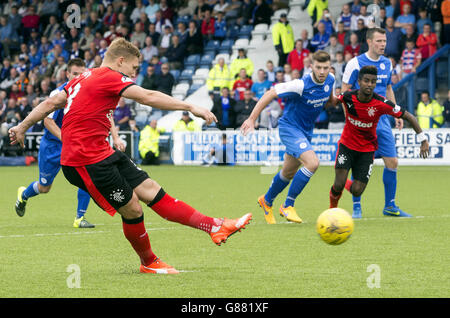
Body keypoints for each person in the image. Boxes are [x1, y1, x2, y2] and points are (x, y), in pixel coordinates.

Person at [9, 38, 252, 275]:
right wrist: (190, 107)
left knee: (151, 190)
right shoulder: (109, 76)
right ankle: (149, 262)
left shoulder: (83, 78)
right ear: (121, 61)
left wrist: (22, 126)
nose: (134, 74)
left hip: (103, 153)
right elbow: (147, 97)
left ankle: (215, 226)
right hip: (85, 160)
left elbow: (50, 103)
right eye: (134, 68)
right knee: (133, 209)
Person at [14, 58, 125, 228]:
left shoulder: (90, 91)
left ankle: (79, 218)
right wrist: (67, 139)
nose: (78, 77)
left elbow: (106, 113)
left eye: (81, 74)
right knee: (44, 187)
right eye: (74, 74)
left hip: (76, 145)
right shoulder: (58, 94)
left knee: (88, 177)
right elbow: (48, 122)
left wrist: (116, 137)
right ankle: (24, 195)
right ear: (67, 74)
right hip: (53, 146)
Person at [240, 51, 335, 224]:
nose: (322, 71)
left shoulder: (331, 80)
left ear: (330, 67)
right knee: (312, 163)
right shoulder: (299, 84)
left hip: (306, 131)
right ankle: (288, 205)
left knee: (288, 172)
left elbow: (330, 101)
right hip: (289, 128)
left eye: (326, 68)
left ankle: (266, 200)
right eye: (318, 67)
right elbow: (270, 93)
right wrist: (252, 119)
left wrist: (343, 100)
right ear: (311, 66)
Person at [329, 65, 429, 210]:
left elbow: (409, 116)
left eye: (373, 82)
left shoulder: (381, 103)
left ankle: (345, 182)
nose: (370, 85)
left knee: (357, 190)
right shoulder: (348, 97)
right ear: (359, 81)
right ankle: (332, 211)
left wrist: (423, 139)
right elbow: (332, 102)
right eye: (366, 81)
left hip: (367, 150)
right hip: (347, 146)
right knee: (337, 183)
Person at [342, 27, 410, 218]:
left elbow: (388, 88)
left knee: (392, 161)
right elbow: (345, 91)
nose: (383, 45)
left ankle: (390, 206)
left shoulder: (387, 63)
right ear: (370, 42)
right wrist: (350, 117)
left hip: (382, 121)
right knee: (360, 165)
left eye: (385, 41)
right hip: (360, 121)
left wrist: (397, 114)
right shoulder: (355, 63)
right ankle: (356, 206)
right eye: (379, 41)